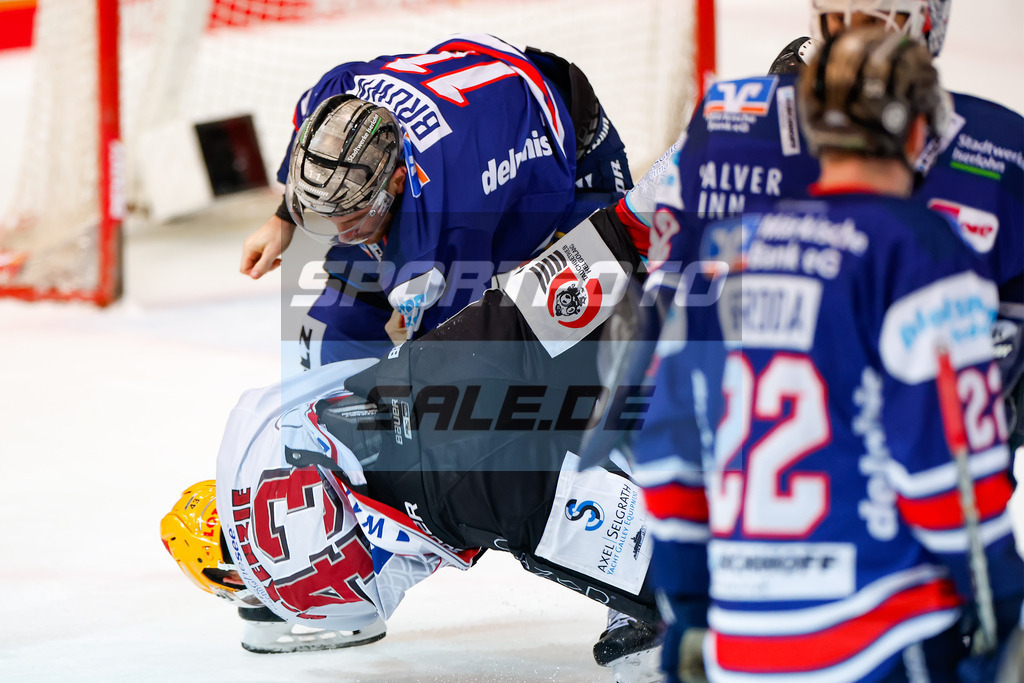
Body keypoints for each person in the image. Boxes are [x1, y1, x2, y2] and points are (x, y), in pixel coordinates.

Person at [632, 27, 1024, 682]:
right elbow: (948, 471)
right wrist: (1001, 607)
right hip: (884, 638)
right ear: (919, 134)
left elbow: (668, 449)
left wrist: (694, 610)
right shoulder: (922, 249)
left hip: (743, 646)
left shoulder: (728, 252)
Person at [167, 209, 667, 676]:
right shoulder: (246, 437)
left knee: (660, 563)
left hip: (461, 490)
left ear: (228, 575)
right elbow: (339, 379)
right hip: (439, 377)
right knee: (615, 239)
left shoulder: (311, 600)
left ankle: (654, 590)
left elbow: (390, 585)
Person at [612, 0, 1024, 455]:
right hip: (740, 466)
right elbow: (628, 235)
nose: (853, 40)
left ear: (928, 22)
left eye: (875, 21)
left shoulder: (1003, 157)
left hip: (901, 474)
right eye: (837, 19)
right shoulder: (734, 126)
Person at [239, 33, 632, 369]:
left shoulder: (449, 224)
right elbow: (316, 135)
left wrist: (418, 339)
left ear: (396, 181)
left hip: (572, 142)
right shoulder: (337, 99)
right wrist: (281, 221)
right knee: (349, 313)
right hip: (479, 118)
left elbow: (457, 353)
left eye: (352, 218)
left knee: (582, 307)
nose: (341, 233)